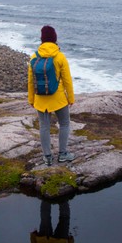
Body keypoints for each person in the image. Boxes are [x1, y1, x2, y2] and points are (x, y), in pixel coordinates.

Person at [28, 25, 75, 166]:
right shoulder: (60, 56)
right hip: (58, 98)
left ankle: (47, 157)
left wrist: (31, 99)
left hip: (41, 99)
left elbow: (30, 81)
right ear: (55, 38)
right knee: (65, 124)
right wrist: (71, 98)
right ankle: (62, 154)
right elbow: (67, 80)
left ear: (41, 39)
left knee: (44, 127)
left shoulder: (34, 56)